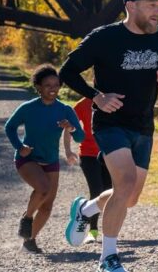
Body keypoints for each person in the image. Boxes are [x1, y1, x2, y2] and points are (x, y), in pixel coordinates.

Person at [60, 0, 158, 272]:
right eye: (152, 6)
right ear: (131, 6)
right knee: (124, 184)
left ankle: (86, 209)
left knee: (129, 197)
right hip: (110, 123)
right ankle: (108, 257)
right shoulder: (105, 38)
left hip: (144, 125)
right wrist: (96, 97)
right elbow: (68, 71)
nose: (157, 11)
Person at [5, 64, 83, 253]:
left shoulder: (65, 110)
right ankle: (27, 218)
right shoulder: (28, 108)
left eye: (56, 85)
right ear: (38, 87)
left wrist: (71, 127)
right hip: (28, 158)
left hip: (50, 160)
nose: (53, 89)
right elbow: (10, 127)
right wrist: (20, 147)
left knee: (47, 206)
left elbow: (80, 137)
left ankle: (29, 240)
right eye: (48, 85)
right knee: (43, 188)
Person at [64, 97, 113, 244]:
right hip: (88, 154)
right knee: (96, 190)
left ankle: (109, 232)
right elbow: (68, 127)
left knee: (110, 192)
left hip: (110, 153)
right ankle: (93, 231)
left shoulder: (113, 100)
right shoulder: (83, 104)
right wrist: (68, 150)